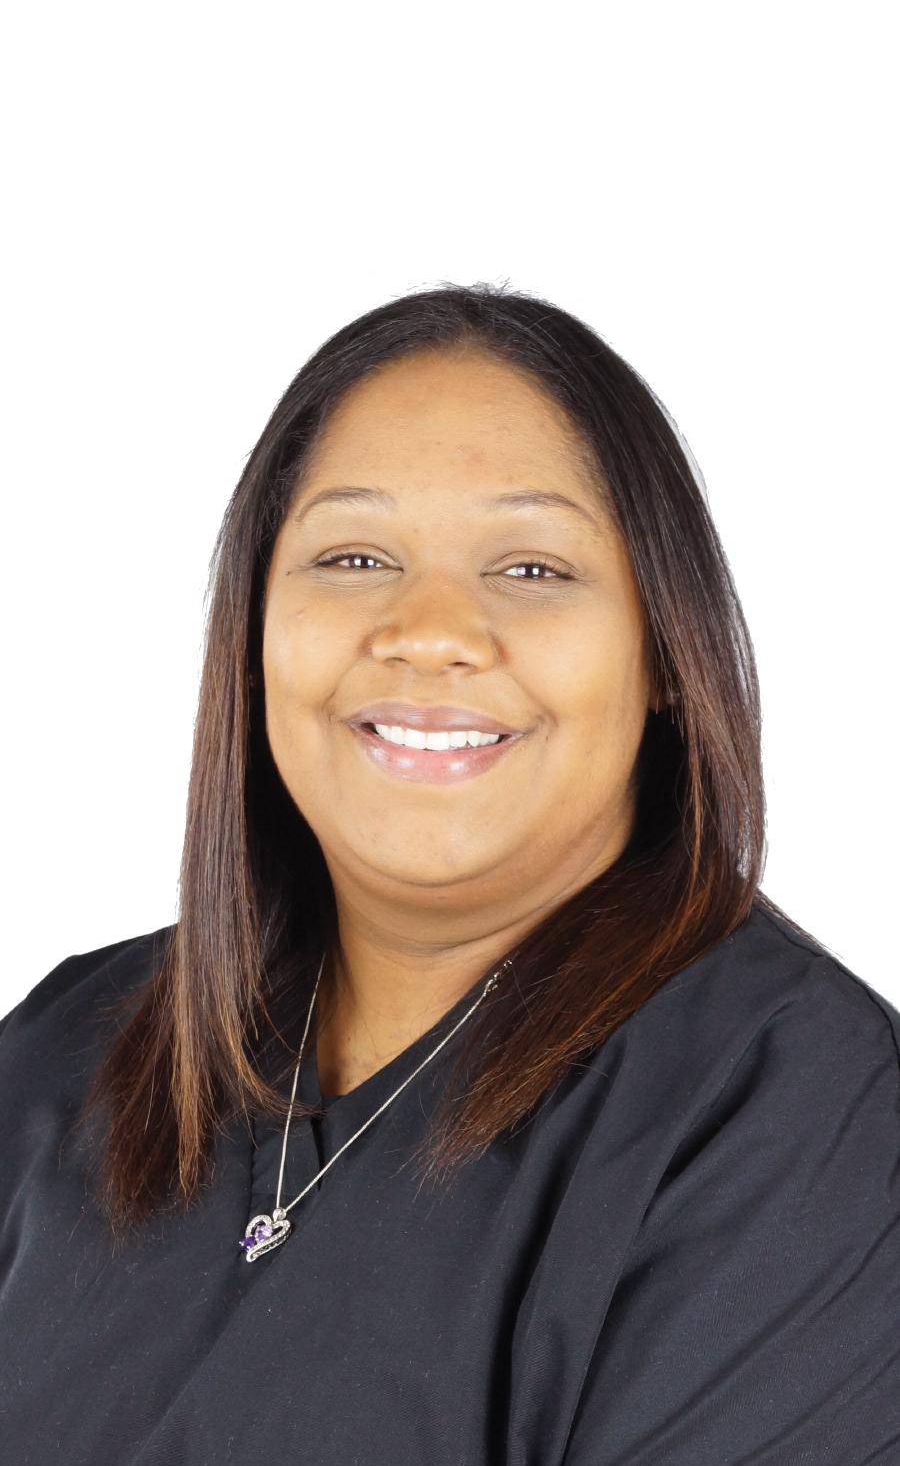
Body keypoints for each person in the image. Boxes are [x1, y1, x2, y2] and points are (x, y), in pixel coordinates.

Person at [1, 282, 897, 1464]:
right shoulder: (68, 1046)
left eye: (532, 568)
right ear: (254, 636)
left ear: (666, 654)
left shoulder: (800, 1112)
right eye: (354, 555)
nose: (428, 631)